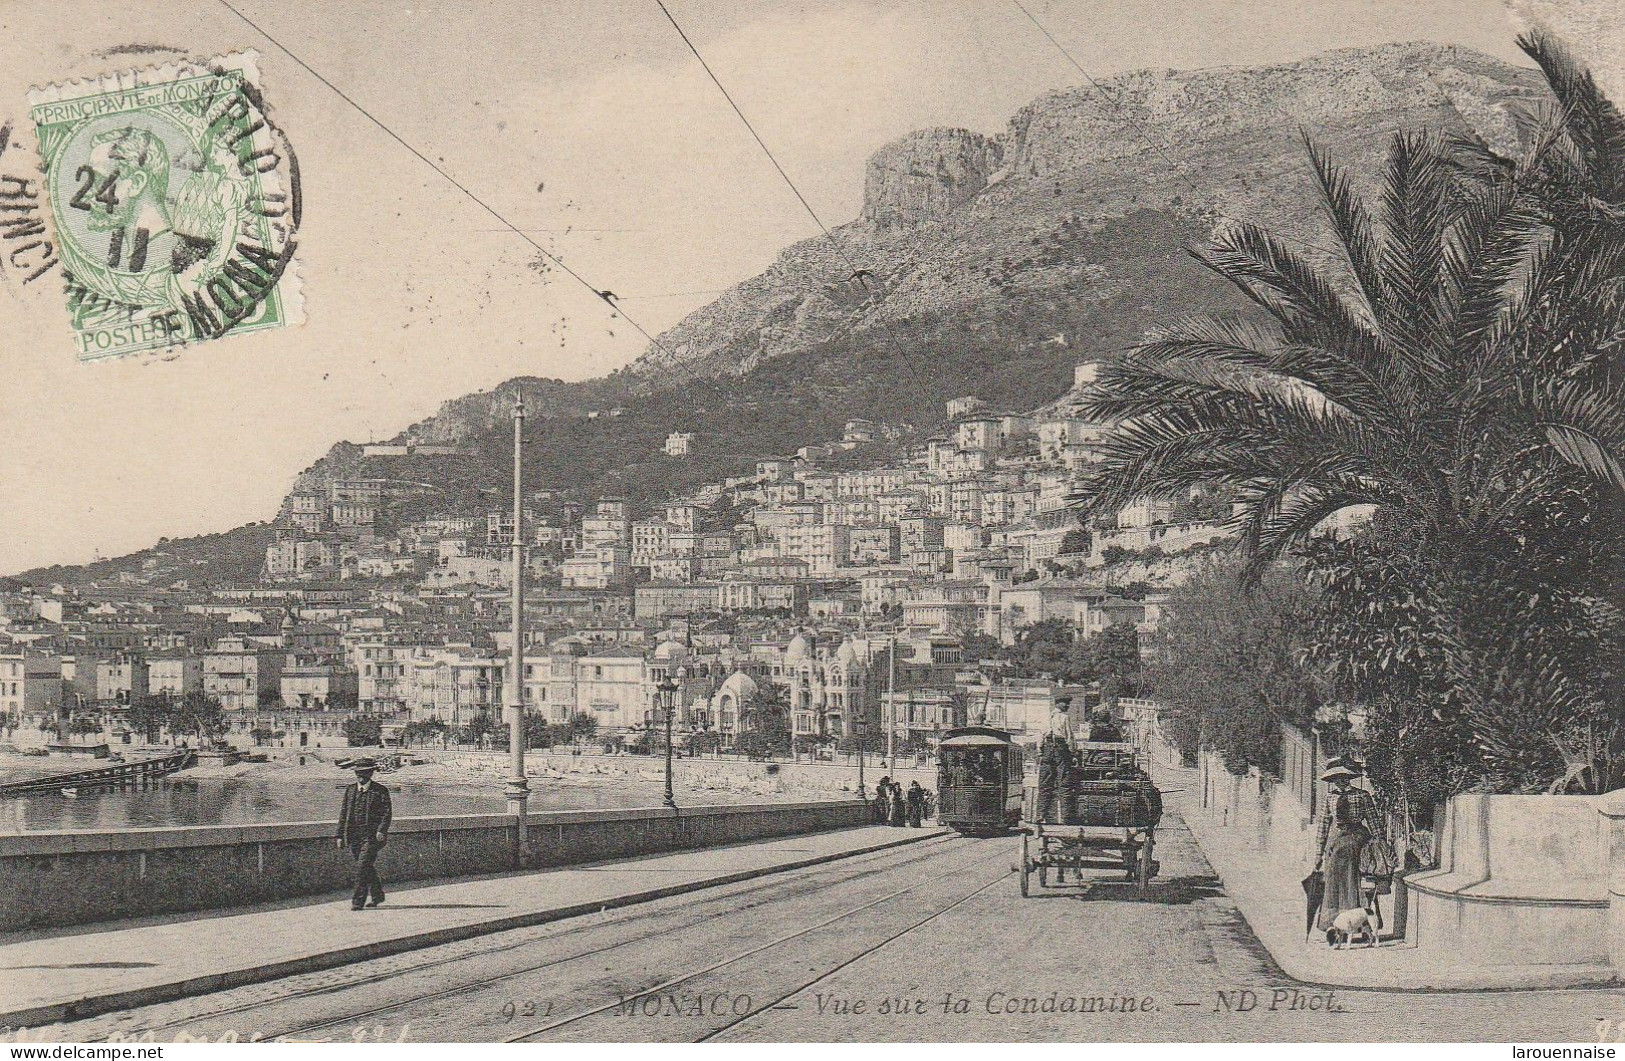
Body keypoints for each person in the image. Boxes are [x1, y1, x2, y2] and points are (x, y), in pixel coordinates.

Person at [1313, 761, 1385, 939]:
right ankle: (1337, 926)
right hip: (1336, 841)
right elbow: (1323, 825)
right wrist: (1318, 854)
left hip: (1357, 838)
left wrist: (1379, 844)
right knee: (1333, 881)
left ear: (1349, 778)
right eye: (1337, 778)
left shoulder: (1362, 795)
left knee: (1358, 881)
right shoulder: (1330, 798)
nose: (1340, 782)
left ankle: (1360, 923)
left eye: (1344, 778)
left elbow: (1374, 821)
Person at [336, 757, 393, 910]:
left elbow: (387, 813)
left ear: (371, 774)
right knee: (366, 867)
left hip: (371, 838)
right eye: (358, 773)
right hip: (354, 837)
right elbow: (343, 813)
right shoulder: (350, 790)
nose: (360, 776)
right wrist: (340, 835)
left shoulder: (380, 791)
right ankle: (377, 895)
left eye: (364, 773)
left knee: (361, 868)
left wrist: (381, 830)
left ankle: (357, 902)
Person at [1036, 695, 1076, 823]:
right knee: (1064, 782)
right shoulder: (1064, 717)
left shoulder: (1045, 717)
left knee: (1044, 783)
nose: (1067, 706)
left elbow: (1040, 736)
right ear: (1058, 703)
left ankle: (1040, 815)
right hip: (1060, 749)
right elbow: (1069, 737)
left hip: (1047, 749)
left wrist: (1040, 751)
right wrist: (1072, 753)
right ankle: (1066, 817)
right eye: (1066, 704)